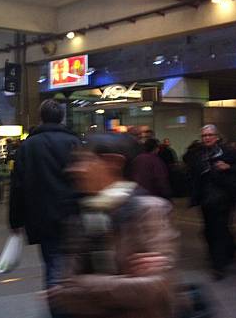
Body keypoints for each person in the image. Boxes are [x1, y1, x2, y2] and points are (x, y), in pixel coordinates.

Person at [48, 133, 178, 318]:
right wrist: (125, 282)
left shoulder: (150, 211)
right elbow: (64, 289)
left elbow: (155, 288)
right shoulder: (82, 215)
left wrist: (83, 284)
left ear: (113, 162)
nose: (74, 169)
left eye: (84, 160)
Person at [9, 98, 80, 308]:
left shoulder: (28, 146)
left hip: (42, 216)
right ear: (62, 118)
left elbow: (17, 186)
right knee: (74, 263)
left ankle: (57, 308)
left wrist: (15, 220)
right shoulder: (74, 143)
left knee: (51, 263)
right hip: (73, 214)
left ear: (41, 117)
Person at [187, 124, 236, 280]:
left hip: (224, 198)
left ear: (217, 137)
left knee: (218, 230)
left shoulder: (228, 152)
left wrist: (228, 167)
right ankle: (229, 249)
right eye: (204, 136)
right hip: (206, 199)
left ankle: (219, 265)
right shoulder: (199, 154)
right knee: (209, 230)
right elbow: (193, 173)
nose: (207, 138)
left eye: (210, 135)